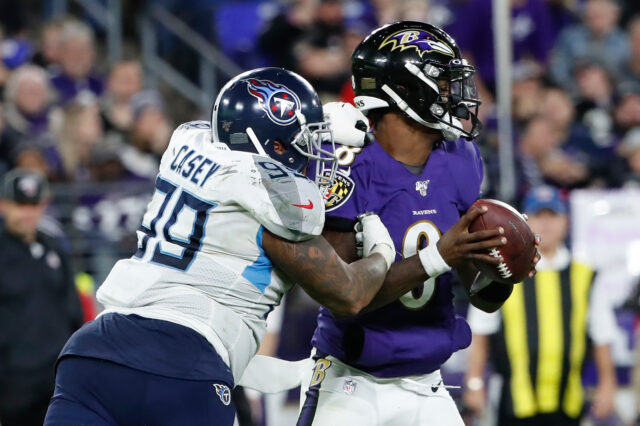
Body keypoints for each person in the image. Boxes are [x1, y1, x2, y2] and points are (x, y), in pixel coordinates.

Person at [43, 67, 401, 426]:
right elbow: (350, 294)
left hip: (92, 352)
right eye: (301, 141)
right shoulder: (270, 201)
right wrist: (382, 251)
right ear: (272, 142)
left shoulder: (192, 145)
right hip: (182, 362)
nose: (310, 154)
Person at [297, 21, 538, 426]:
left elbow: (480, 296)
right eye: (443, 84)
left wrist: (504, 268)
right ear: (404, 89)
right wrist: (438, 256)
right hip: (352, 381)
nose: (455, 95)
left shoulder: (459, 159)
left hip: (428, 384)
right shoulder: (347, 163)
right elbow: (343, 298)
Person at [463, 185, 617, 426]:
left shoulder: (585, 274)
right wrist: (474, 381)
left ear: (566, 222)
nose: (546, 224)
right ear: (524, 223)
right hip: (515, 402)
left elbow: (602, 335)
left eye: (552, 216)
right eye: (538, 216)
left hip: (567, 402)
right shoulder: (503, 271)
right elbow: (482, 330)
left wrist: (607, 385)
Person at [0, 168, 83, 426]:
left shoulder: (53, 246)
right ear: (4, 205)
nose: (27, 213)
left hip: (57, 379)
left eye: (33, 205)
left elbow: (73, 309)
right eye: (20, 205)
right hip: (13, 386)